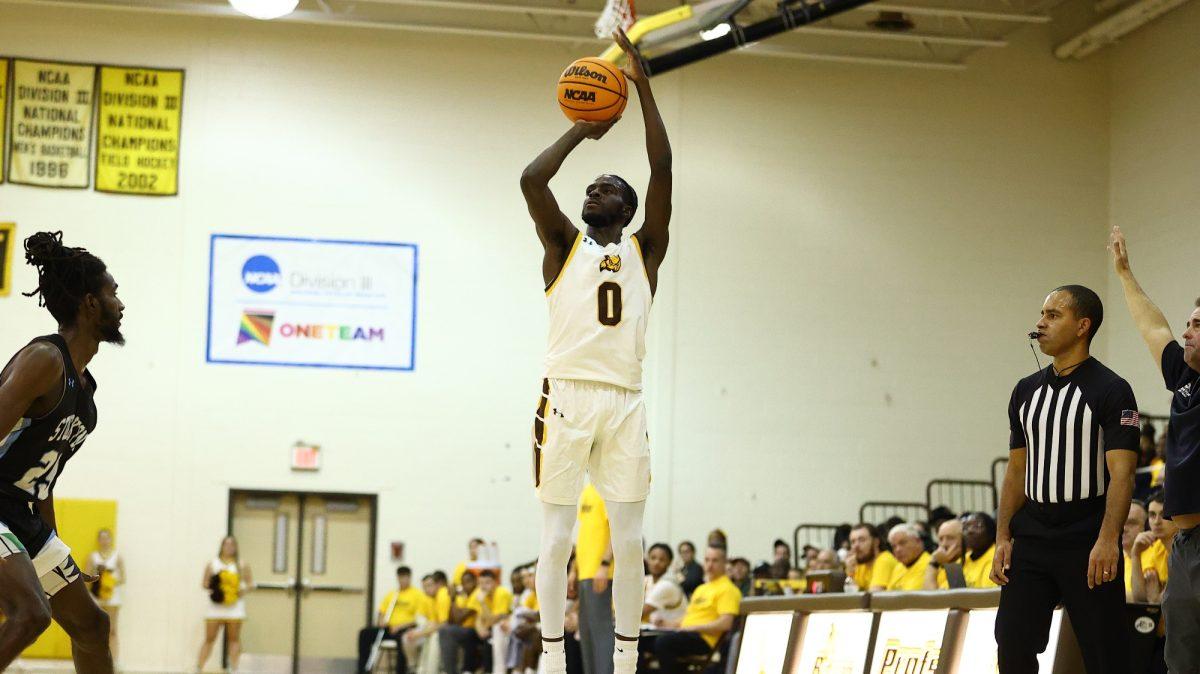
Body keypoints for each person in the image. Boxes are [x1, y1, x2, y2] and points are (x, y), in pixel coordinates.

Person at [522, 28, 673, 674]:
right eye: (590, 186)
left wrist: (642, 92)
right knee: (555, 537)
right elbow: (531, 178)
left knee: (631, 538)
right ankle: (554, 658)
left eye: (606, 186)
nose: (592, 190)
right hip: (567, 394)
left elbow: (663, 168)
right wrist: (583, 129)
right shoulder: (562, 245)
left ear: (627, 207)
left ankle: (627, 658)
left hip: (624, 400)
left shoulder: (646, 250)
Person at [992, 284, 1139, 674]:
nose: (1040, 323)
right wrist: (1003, 536)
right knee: (1011, 644)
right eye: (1042, 314)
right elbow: (1016, 471)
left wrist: (1109, 539)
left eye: (1053, 315)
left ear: (1082, 326)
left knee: (1106, 655)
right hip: (1033, 536)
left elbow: (1121, 475)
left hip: (1087, 537)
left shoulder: (1112, 389)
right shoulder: (1025, 391)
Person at [0, 231, 123, 673]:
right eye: (113, 293)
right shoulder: (44, 360)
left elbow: (42, 479)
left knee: (92, 625)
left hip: (21, 513)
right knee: (32, 614)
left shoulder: (85, 389)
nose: (120, 304)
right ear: (90, 303)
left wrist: (53, 544)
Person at [1110, 225, 1200, 671]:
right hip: (1184, 544)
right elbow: (1154, 326)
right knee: (1180, 655)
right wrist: (1125, 274)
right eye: (1189, 323)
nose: (1186, 333)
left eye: (1197, 325)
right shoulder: (1185, 378)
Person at [649, 546, 740, 674]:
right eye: (707, 560)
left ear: (724, 563)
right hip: (687, 634)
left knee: (664, 643)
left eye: (715, 560)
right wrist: (665, 623)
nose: (710, 564)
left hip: (705, 639)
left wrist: (695, 628)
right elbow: (687, 618)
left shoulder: (728, 589)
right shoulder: (701, 589)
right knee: (644, 641)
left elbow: (726, 623)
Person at [198, 536, 253, 673]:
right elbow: (204, 583)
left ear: (236, 547)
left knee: (234, 639)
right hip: (216, 607)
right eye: (226, 544)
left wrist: (242, 590)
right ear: (221, 546)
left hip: (234, 607)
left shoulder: (241, 564)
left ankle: (234, 668)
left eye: (232, 544)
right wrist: (216, 586)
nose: (229, 547)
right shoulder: (212, 563)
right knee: (209, 638)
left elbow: (251, 583)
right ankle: (198, 667)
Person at [357, 566, 425, 674]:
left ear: (409, 577)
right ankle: (363, 670)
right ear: (397, 578)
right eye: (400, 577)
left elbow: (417, 619)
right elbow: (381, 611)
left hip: (405, 628)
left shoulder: (417, 595)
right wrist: (381, 620)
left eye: (405, 577)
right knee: (364, 633)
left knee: (403, 640)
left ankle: (400, 671)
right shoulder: (392, 594)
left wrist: (400, 626)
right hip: (389, 628)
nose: (403, 580)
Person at [1130, 491, 1177, 604]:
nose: (1157, 521)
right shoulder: (1155, 548)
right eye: (1152, 515)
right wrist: (1135, 554)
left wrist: (1155, 599)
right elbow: (1139, 598)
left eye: (1163, 514)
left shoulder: (1188, 548)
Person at [86, 528, 124, 661]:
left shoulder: (117, 556)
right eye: (101, 538)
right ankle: (95, 661)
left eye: (106, 538)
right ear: (98, 540)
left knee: (112, 630)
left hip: (112, 597)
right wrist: (98, 582)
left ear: (111, 539)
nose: (104, 541)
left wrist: (109, 581)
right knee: (96, 630)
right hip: (96, 597)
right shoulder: (93, 557)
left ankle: (114, 662)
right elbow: (87, 577)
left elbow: (123, 578)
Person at [845, 523, 897, 592]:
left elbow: (874, 597)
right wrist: (850, 574)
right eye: (853, 542)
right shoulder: (859, 563)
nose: (856, 546)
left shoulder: (884, 560)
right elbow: (851, 595)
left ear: (876, 542)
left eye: (862, 540)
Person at [642, 543, 685, 625]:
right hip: (656, 629)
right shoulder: (648, 579)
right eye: (653, 558)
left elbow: (639, 614)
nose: (656, 562)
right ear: (647, 560)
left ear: (669, 562)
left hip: (674, 632)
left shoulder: (667, 584)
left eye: (661, 559)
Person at [882, 524, 931, 591]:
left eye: (902, 543)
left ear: (918, 542)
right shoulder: (898, 568)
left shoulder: (932, 565)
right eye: (894, 546)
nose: (898, 550)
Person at [960, 513, 998, 589]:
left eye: (977, 526)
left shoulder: (997, 558)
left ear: (990, 531)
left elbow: (988, 596)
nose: (970, 531)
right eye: (966, 527)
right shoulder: (965, 558)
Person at [923, 519, 963, 590]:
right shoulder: (941, 562)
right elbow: (927, 596)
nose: (944, 544)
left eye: (950, 538)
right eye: (941, 539)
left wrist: (933, 564)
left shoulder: (968, 561)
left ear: (964, 540)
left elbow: (934, 598)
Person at [1122, 500, 1149, 602]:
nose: (1124, 528)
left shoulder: (1156, 554)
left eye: (1131, 523)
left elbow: (1142, 599)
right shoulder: (1116, 556)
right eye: (1121, 522)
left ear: (1146, 527)